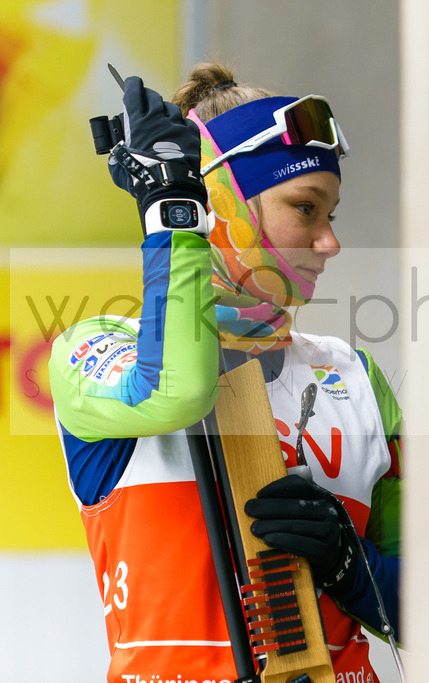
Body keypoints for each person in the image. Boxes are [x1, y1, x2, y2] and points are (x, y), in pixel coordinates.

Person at [48, 62, 402, 683]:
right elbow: (177, 390)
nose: (330, 243)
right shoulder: (96, 349)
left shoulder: (353, 375)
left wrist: (350, 562)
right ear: (223, 207)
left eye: (332, 215)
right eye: (305, 209)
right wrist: (171, 211)